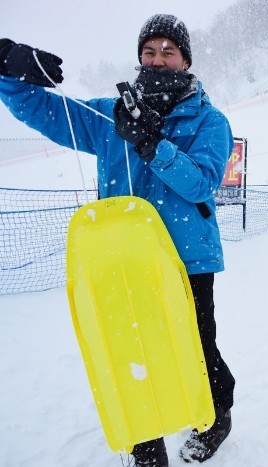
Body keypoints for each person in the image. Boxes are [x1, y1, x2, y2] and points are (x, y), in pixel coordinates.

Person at [0, 14, 236, 467]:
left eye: (169, 51)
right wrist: (9, 67)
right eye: (149, 51)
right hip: (124, 259)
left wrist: (152, 146)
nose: (158, 59)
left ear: (186, 60)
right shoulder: (111, 115)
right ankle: (146, 443)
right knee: (132, 348)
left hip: (188, 260)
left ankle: (217, 413)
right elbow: (46, 111)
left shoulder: (210, 120)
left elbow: (202, 183)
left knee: (197, 347)